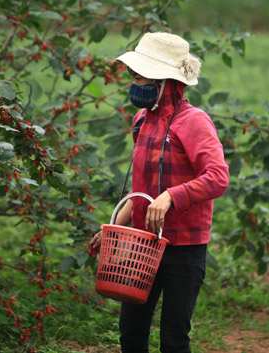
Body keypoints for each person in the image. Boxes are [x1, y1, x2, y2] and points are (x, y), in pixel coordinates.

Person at [89, 32, 229, 353]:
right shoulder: (142, 120)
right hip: (142, 247)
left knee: (173, 340)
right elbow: (141, 189)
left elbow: (218, 177)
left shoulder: (194, 122)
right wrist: (115, 226)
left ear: (167, 80)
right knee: (131, 333)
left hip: (184, 250)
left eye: (143, 75)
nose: (135, 81)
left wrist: (171, 196)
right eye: (134, 74)